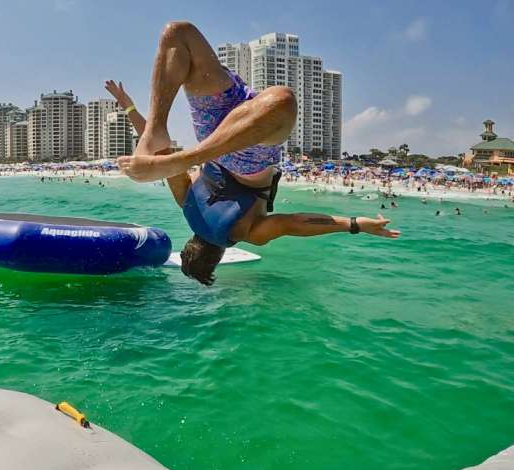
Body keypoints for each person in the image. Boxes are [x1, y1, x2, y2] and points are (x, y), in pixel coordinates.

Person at [108, 22, 399, 285]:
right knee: (177, 33)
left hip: (246, 156)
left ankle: (189, 156)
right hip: (212, 125)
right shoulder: (185, 202)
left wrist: (355, 224)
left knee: (282, 101)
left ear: (219, 256)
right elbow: (157, 152)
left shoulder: (245, 233)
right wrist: (129, 107)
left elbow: (294, 223)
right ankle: (162, 126)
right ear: (190, 243)